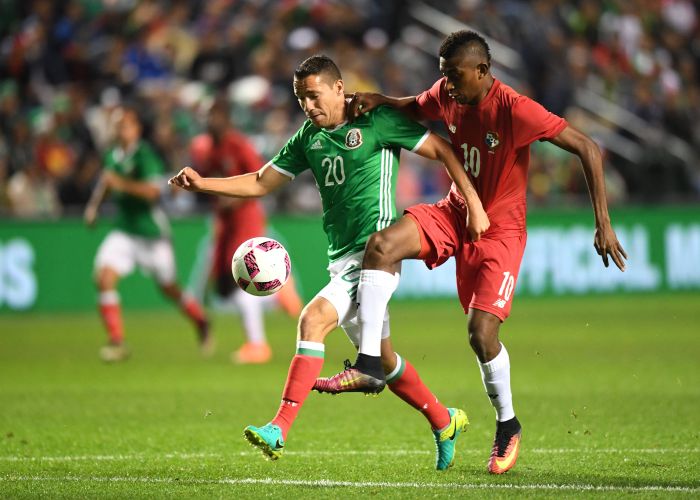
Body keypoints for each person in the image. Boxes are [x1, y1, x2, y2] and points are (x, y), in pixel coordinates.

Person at [316, 31, 628, 475]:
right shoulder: (447, 92)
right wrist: (381, 98)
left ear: (482, 71)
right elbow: (416, 105)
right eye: (443, 74)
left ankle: (508, 424)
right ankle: (369, 364)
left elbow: (587, 147)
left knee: (481, 334)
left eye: (455, 75)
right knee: (382, 245)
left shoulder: (516, 109)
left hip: (500, 232)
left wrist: (603, 222)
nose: (448, 83)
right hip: (454, 211)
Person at [170, 55, 489, 470]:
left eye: (314, 95)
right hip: (342, 258)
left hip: (378, 252)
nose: (308, 105)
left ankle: (278, 427)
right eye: (301, 98)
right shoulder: (308, 137)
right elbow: (261, 181)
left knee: (312, 318)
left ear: (339, 89)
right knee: (386, 362)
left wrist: (474, 205)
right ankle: (444, 420)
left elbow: (443, 149)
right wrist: (202, 183)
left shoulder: (376, 122)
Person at [85, 106, 211, 362]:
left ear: (136, 129)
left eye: (126, 125)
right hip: (124, 230)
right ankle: (117, 341)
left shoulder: (145, 155)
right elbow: (107, 183)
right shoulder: (112, 154)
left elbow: (153, 192)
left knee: (169, 289)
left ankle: (200, 320)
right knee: (104, 278)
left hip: (151, 232)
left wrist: (120, 184)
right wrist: (94, 207)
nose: (122, 130)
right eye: (118, 125)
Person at [189, 97, 303, 364]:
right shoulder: (212, 152)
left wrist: (234, 199)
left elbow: (260, 179)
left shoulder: (237, 144)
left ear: (225, 118)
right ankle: (278, 292)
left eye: (213, 115)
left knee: (240, 274)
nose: (209, 121)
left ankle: (257, 345)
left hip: (245, 217)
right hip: (226, 221)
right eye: (206, 117)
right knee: (223, 287)